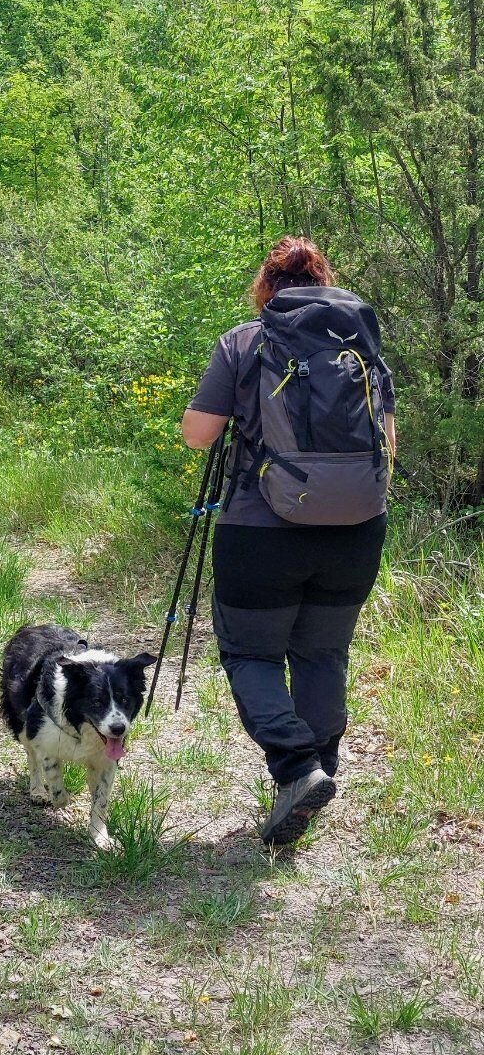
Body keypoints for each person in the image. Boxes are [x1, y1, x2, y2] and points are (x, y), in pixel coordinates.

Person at [181, 237, 396, 846]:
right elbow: (388, 444)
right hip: (357, 530)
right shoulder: (364, 348)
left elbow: (199, 435)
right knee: (322, 656)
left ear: (266, 288)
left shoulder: (245, 342)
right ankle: (317, 770)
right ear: (324, 282)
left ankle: (298, 769)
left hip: (260, 530)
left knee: (250, 654)